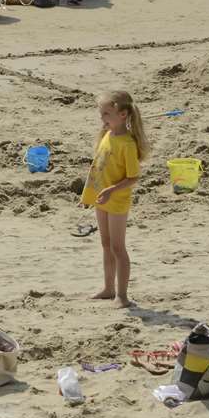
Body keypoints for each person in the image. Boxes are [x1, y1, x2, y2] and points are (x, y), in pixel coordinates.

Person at [81, 91, 148, 306]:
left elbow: (133, 177)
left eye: (107, 114)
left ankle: (122, 295)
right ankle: (108, 288)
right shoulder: (108, 135)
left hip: (117, 200)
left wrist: (111, 190)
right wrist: (88, 195)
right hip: (102, 199)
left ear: (123, 114)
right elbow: (98, 168)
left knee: (118, 247)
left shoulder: (127, 144)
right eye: (101, 114)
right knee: (106, 244)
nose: (103, 119)